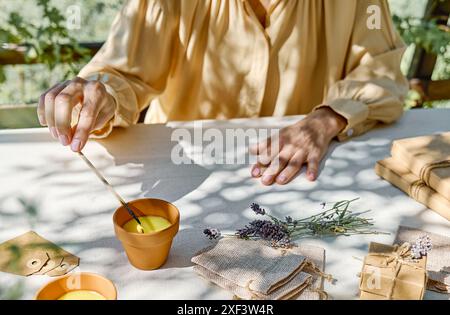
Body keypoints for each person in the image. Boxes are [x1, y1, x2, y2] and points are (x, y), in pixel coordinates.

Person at [37, 0, 409, 186]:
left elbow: (383, 73)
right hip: (181, 171)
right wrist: (99, 98)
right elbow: (119, 74)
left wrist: (327, 119)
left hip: (298, 178)